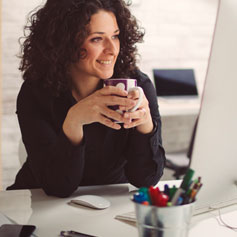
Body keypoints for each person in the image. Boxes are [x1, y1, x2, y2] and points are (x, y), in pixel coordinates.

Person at [7, 0, 166, 197]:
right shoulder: (35, 93)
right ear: (65, 42)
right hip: (37, 202)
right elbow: (57, 187)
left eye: (115, 36)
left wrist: (146, 124)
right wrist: (74, 122)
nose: (112, 49)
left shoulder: (137, 86)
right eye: (96, 39)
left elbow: (147, 180)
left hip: (109, 204)